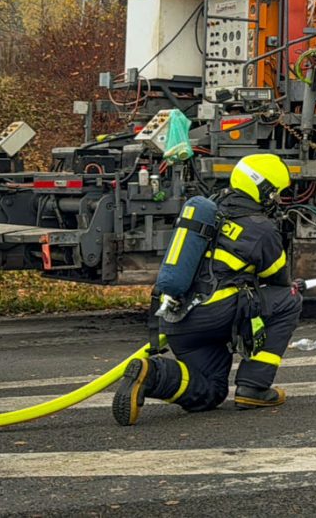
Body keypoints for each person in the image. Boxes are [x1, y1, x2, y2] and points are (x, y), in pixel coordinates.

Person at [112, 153, 304, 425]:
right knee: (290, 299)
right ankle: (254, 387)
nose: (277, 200)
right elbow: (279, 281)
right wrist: (293, 286)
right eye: (275, 193)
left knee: (210, 391)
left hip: (177, 322)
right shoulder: (261, 228)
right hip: (215, 315)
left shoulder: (210, 209)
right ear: (263, 189)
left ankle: (151, 374)